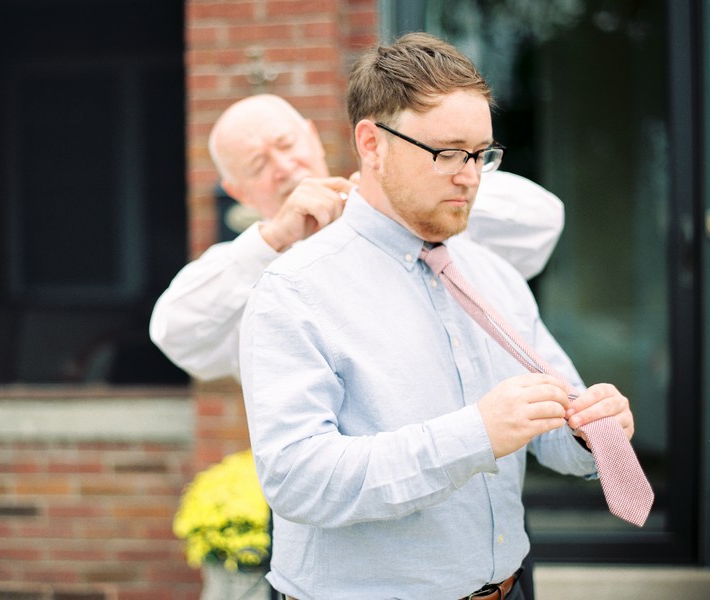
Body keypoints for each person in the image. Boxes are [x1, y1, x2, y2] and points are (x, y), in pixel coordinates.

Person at [239, 33, 636, 600]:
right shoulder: (294, 290)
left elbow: (551, 425)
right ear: (372, 144)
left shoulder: (496, 276)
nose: (470, 176)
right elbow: (299, 480)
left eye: (481, 154)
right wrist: (474, 434)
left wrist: (594, 431)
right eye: (447, 152)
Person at [149, 94, 565, 384]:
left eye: (286, 144)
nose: (282, 166)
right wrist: (273, 240)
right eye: (258, 164)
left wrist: (406, 193)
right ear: (237, 191)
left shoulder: (416, 220)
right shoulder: (243, 270)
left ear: (312, 136)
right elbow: (175, 334)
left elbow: (541, 222)